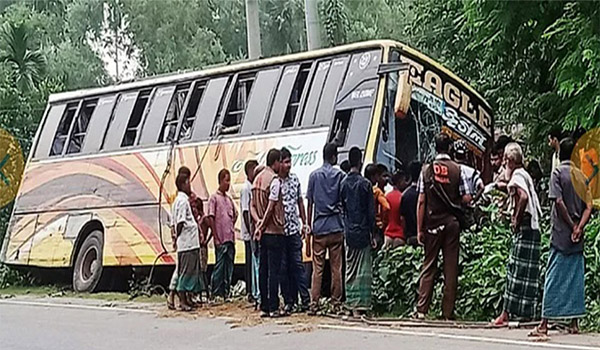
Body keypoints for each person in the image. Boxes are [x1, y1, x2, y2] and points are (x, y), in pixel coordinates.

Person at [530, 138, 594, 337]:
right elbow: (589, 206)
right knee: (575, 278)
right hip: (577, 236)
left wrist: (571, 226)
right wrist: (580, 227)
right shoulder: (583, 176)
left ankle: (544, 322)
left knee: (553, 276)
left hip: (561, 233)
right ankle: (574, 323)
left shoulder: (558, 173)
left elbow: (558, 201)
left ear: (561, 154)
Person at [415, 133, 472, 320]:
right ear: (449, 149)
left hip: (432, 225)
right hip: (452, 225)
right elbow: (467, 198)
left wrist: (419, 229)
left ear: (436, 148)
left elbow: (421, 201)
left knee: (429, 265)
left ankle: (422, 310)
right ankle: (447, 313)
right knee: (451, 268)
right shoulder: (458, 169)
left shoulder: (426, 170)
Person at [493, 142, 543, 326]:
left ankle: (506, 313)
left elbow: (523, 196)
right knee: (528, 273)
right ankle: (526, 313)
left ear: (510, 161)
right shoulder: (523, 174)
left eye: (505, 160)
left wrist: (515, 217)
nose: (503, 163)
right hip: (533, 228)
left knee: (515, 270)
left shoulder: (516, 175)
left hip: (525, 226)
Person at [306, 143, 345, 315]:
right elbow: (343, 201)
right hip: (336, 226)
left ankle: (314, 303)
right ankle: (336, 303)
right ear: (334, 157)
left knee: (318, 268)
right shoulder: (340, 175)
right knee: (336, 267)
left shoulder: (314, 176)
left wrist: (309, 224)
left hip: (319, 227)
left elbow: (310, 203)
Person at [340, 147, 376, 314]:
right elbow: (370, 212)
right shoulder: (366, 184)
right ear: (360, 162)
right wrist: (373, 233)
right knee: (363, 270)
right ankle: (363, 305)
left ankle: (351, 304)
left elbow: (342, 208)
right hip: (363, 232)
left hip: (349, 232)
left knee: (350, 268)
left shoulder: (343, 184)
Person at [252, 149, 286, 318]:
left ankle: (264, 306)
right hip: (273, 231)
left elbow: (251, 205)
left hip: (263, 233)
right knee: (274, 271)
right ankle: (273, 306)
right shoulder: (274, 181)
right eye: (281, 162)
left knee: (263, 269)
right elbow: (272, 206)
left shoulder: (256, 179)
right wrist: (263, 224)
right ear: (276, 162)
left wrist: (258, 222)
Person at [278, 147, 310, 314]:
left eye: (290, 162)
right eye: (285, 162)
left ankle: (305, 299)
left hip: (294, 230)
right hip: (281, 232)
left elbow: (300, 203)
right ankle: (289, 301)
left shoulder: (295, 180)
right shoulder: (275, 183)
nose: (288, 165)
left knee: (298, 265)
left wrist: (304, 223)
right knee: (283, 268)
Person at [167, 166, 202, 309]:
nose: (190, 186)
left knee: (191, 271)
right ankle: (181, 301)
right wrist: (178, 237)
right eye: (188, 183)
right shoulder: (181, 201)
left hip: (190, 242)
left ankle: (187, 299)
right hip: (187, 243)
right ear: (182, 185)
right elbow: (180, 222)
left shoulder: (182, 200)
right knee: (185, 272)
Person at [207, 169, 238, 302]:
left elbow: (235, 215)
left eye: (229, 180)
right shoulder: (214, 198)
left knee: (228, 267)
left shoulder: (229, 199)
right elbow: (210, 217)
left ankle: (226, 293)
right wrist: (215, 236)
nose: (228, 183)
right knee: (219, 267)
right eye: (226, 180)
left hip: (230, 238)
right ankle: (215, 293)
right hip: (220, 239)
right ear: (220, 181)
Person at [241, 160, 260, 305]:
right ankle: (250, 292)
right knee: (250, 261)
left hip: (253, 231)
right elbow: (245, 211)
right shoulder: (246, 188)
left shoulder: (253, 186)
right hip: (250, 232)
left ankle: (252, 291)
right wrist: (250, 230)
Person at [365, 163, 390, 250]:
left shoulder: (362, 188)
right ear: (372, 177)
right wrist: (383, 221)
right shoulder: (377, 191)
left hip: (364, 227)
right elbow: (386, 207)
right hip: (376, 227)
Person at [384, 170, 409, 249]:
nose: (405, 183)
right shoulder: (402, 197)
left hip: (388, 234)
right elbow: (403, 219)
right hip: (400, 235)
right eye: (404, 181)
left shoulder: (387, 196)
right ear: (399, 182)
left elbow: (384, 216)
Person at [401, 161, 421, 247]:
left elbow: (402, 219)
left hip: (410, 236)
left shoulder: (405, 195)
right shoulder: (425, 194)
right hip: (423, 236)